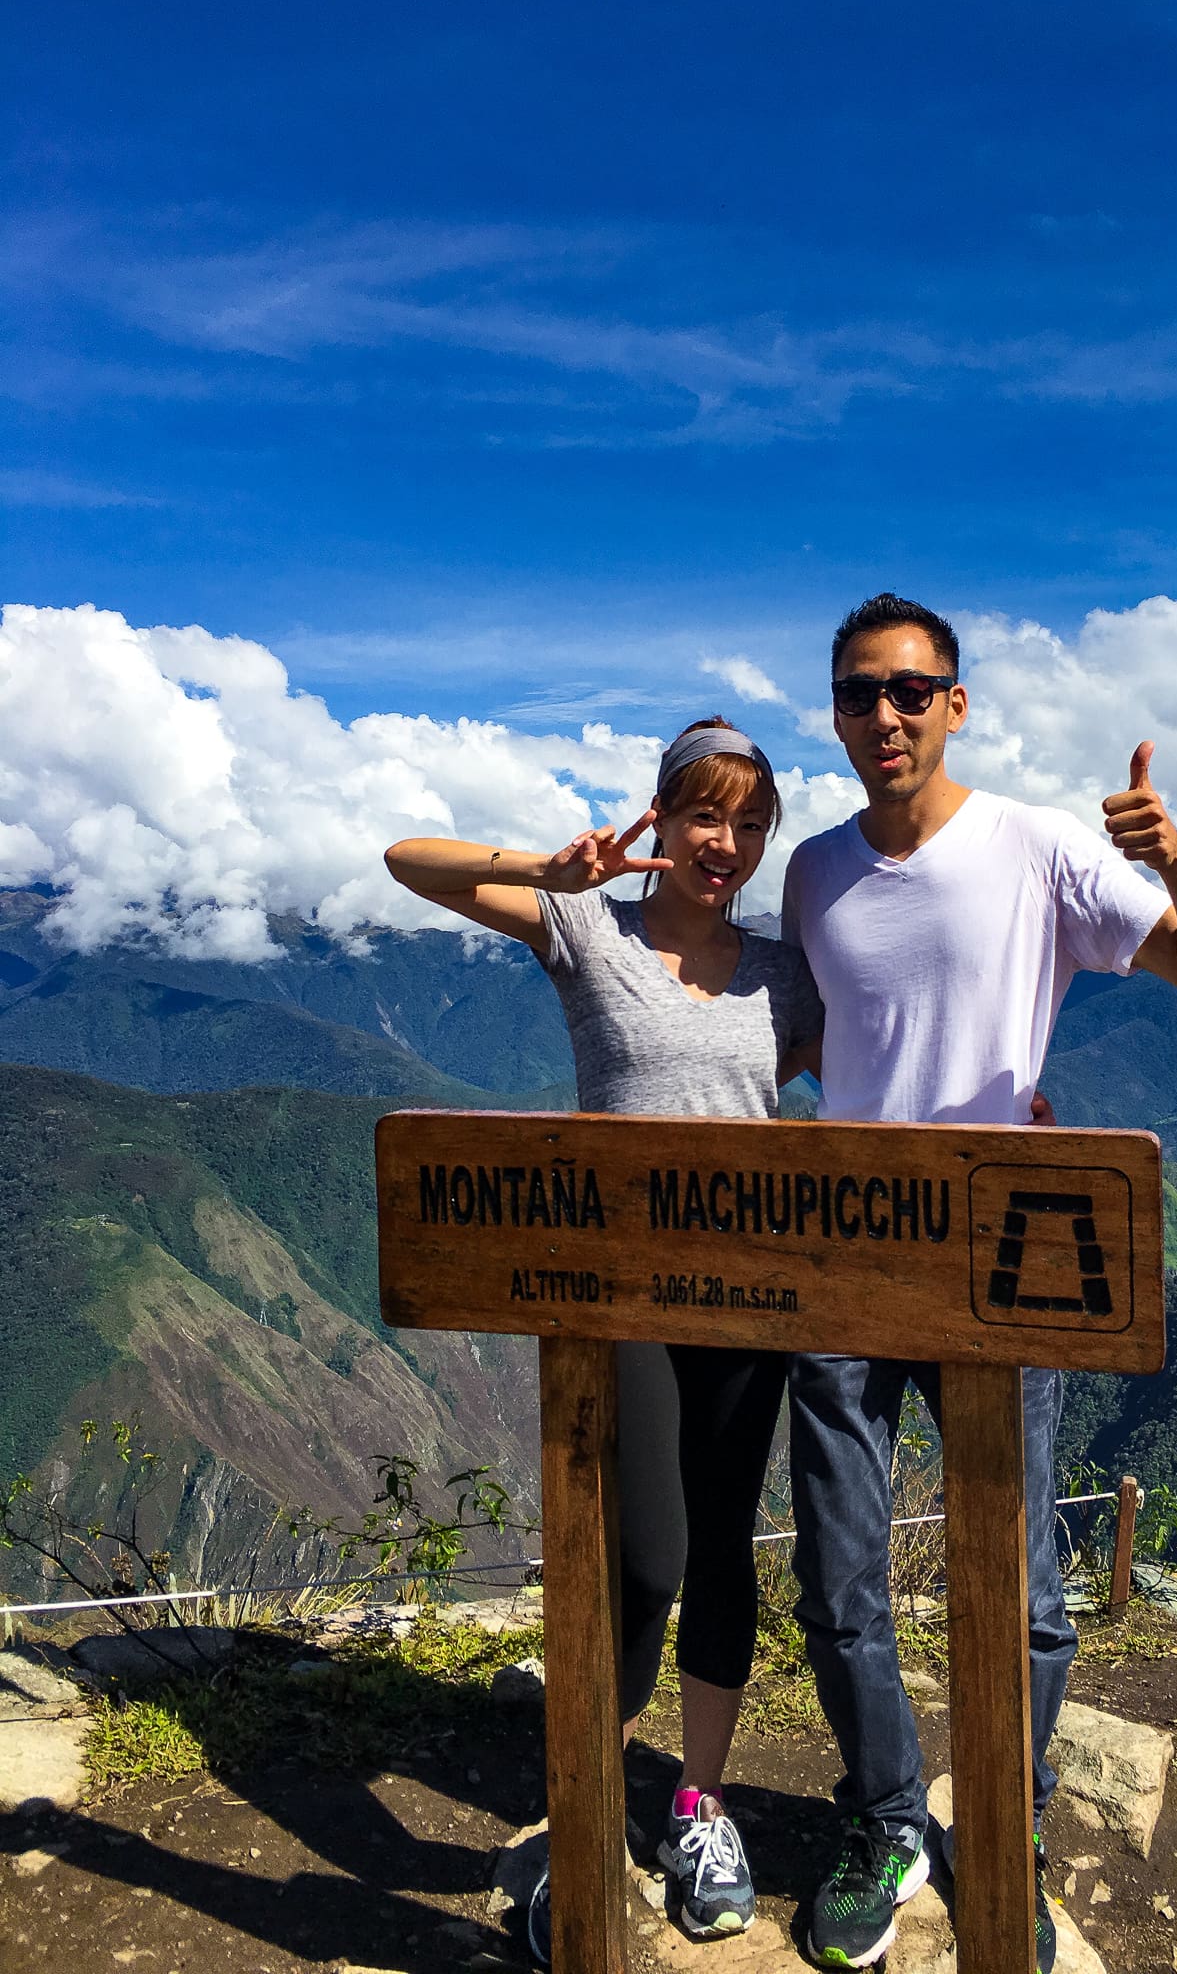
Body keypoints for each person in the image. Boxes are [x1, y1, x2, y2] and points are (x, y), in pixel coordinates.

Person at [781, 593, 1177, 1972]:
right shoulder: (811, 871)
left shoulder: (1040, 847)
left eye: (913, 691)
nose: (888, 716)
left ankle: (1006, 1826)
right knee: (839, 1572)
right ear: (836, 709)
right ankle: (884, 1824)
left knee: (1029, 1585)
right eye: (862, 693)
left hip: (1003, 1256)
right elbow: (818, 1033)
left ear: (959, 703)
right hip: (854, 1257)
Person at [384, 719, 823, 1964]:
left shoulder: (782, 974)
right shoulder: (587, 929)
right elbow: (406, 860)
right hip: (617, 1295)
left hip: (746, 1301)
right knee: (644, 1559)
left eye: (746, 822)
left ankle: (699, 1803)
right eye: (702, 815)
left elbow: (878, 1067)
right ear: (661, 820)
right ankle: (581, 1797)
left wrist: (1009, 1107)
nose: (722, 843)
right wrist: (553, 867)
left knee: (726, 1550)